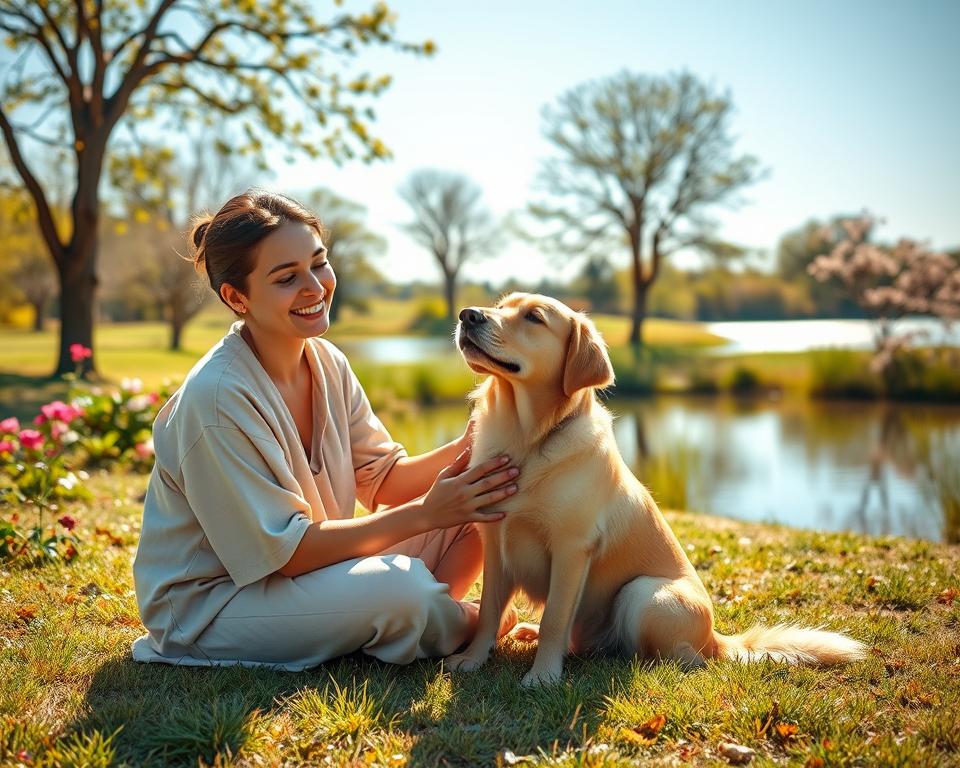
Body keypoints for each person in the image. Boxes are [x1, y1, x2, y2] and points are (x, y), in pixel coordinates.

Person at [131, 190, 520, 671]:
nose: (315, 286)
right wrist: (426, 514)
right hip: (214, 608)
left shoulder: (327, 362)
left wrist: (471, 445)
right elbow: (288, 555)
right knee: (401, 589)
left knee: (486, 498)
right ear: (237, 297)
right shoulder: (217, 399)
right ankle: (461, 622)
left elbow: (383, 479)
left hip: (310, 573)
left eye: (319, 263)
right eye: (287, 278)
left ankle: (420, 614)